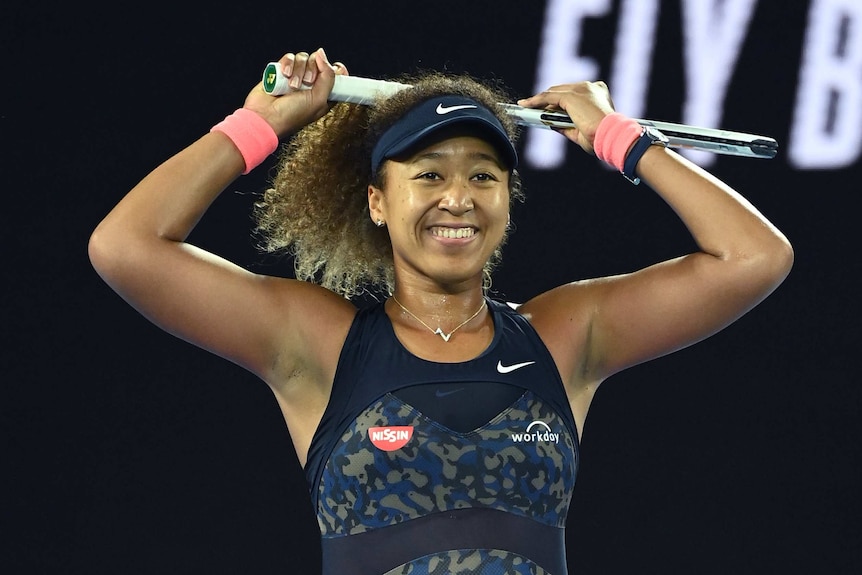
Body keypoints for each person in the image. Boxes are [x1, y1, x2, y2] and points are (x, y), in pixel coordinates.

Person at [88, 47, 793, 574]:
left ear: (505, 205)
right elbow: (125, 246)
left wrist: (619, 138)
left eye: (483, 176)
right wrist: (256, 124)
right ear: (376, 202)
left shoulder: (566, 334)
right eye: (428, 174)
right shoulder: (321, 344)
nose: (457, 198)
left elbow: (754, 257)